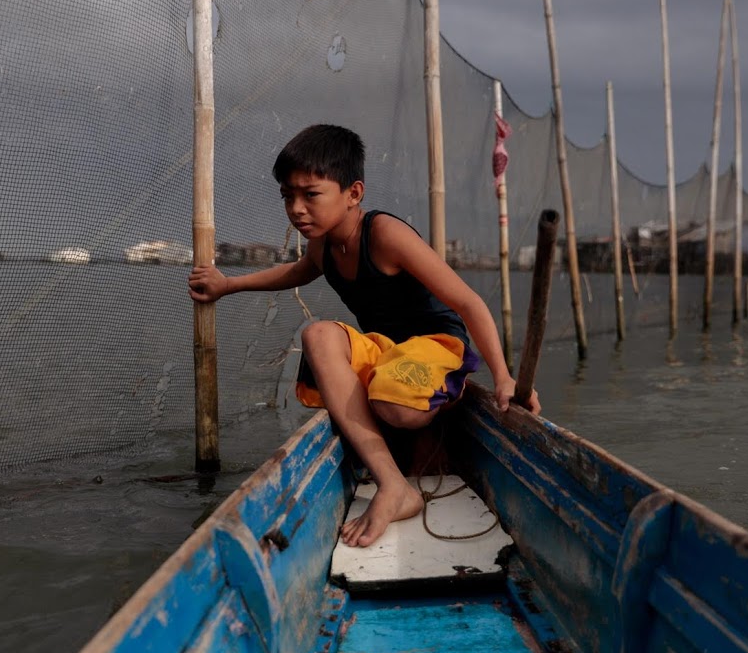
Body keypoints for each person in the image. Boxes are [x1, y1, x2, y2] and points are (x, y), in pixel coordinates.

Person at [188, 124, 539, 548]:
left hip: (435, 348)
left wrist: (503, 378)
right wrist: (228, 285)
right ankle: (395, 486)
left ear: (353, 193)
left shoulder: (385, 235)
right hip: (388, 356)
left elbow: (469, 303)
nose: (296, 208)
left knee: (391, 402)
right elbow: (293, 273)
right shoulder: (321, 246)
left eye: (310, 194)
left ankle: (436, 406)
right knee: (317, 335)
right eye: (287, 196)